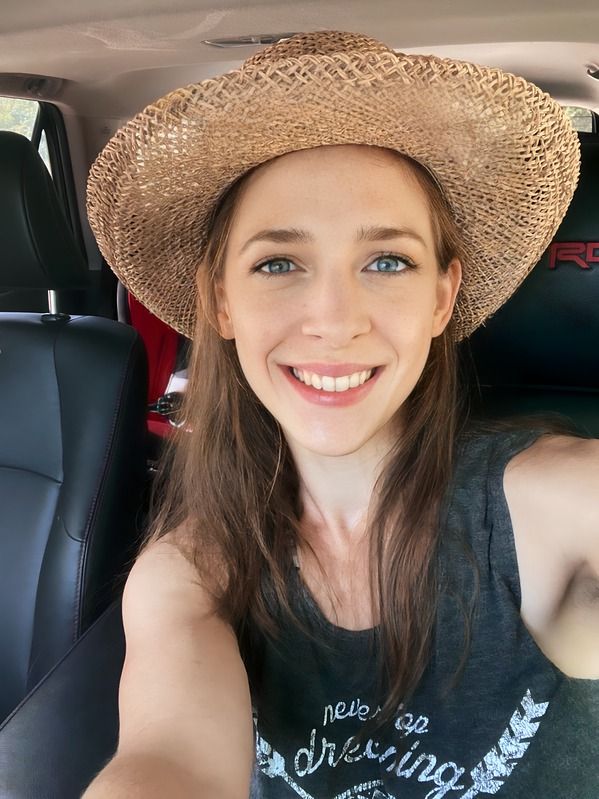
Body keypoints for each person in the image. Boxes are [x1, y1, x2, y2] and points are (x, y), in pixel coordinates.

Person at [83, 31, 598, 799]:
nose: (332, 319)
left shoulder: (551, 503)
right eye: (278, 262)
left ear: (441, 297)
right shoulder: (187, 573)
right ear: (221, 300)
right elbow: (168, 764)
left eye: (386, 261)